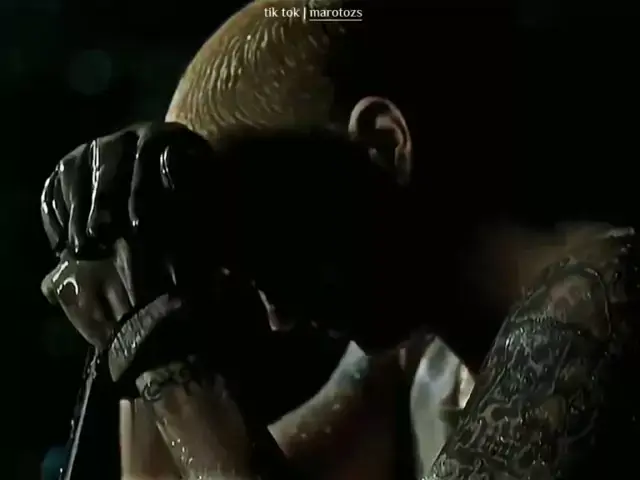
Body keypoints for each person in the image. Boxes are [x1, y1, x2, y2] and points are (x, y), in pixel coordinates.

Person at [41, 0, 640, 479]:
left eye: (267, 243)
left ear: (382, 145)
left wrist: (163, 357)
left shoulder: (602, 296)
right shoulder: (417, 366)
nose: (277, 315)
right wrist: (139, 255)